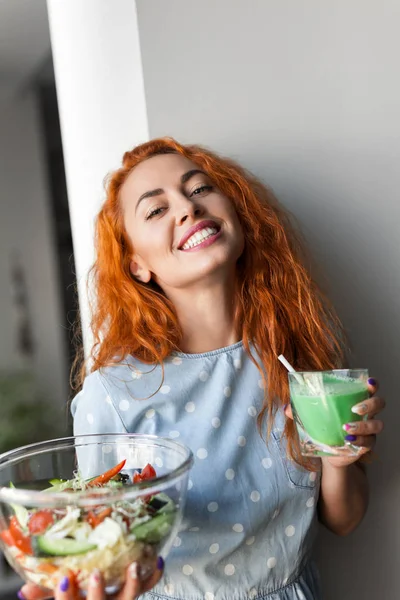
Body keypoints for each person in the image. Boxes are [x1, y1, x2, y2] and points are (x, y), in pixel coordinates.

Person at [19, 138, 385, 600]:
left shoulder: (301, 351)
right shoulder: (112, 394)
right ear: (137, 266)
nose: (188, 209)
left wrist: (340, 459)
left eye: (200, 189)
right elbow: (104, 559)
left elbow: (345, 520)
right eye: (156, 210)